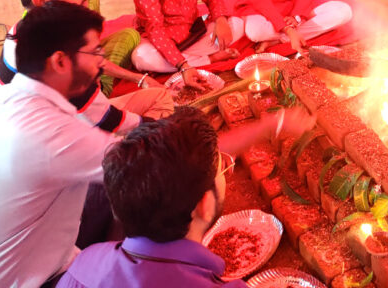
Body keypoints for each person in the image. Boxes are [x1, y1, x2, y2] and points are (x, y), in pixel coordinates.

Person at [57, 105, 314, 287]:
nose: (226, 170)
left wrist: (271, 124)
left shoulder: (85, 263)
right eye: (222, 169)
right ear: (204, 205)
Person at [0, 2, 120, 288]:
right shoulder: (52, 132)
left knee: (111, 187)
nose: (101, 61)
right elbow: (150, 165)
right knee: (160, 200)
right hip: (23, 281)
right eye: (94, 52)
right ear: (59, 61)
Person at [0, 0, 173, 131]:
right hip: (59, 134)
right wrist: (157, 126)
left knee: (130, 41)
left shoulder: (22, 29)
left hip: (60, 121)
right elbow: (107, 120)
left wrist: (138, 79)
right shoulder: (61, 56)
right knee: (161, 112)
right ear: (41, 1)